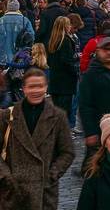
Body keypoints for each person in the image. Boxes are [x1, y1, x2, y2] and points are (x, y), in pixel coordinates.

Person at [0, 68, 74, 210]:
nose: (36, 91)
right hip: (13, 193)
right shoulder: (8, 116)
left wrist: (52, 175)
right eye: (31, 86)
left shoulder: (58, 116)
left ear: (46, 87)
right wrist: (6, 177)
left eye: (40, 86)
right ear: (24, 88)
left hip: (44, 193)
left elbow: (68, 152)